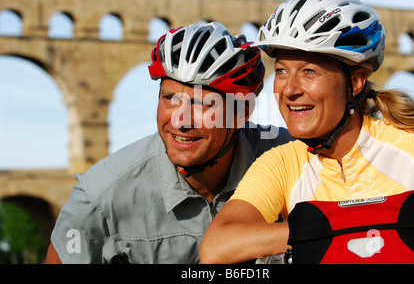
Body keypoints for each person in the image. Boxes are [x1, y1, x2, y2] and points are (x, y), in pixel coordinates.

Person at [199, 0, 414, 264]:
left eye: (309, 71)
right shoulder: (281, 164)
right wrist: (325, 228)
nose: (289, 90)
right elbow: (216, 246)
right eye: (281, 71)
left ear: (355, 82)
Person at [45, 22, 295, 263]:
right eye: (170, 98)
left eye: (203, 103)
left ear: (243, 112)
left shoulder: (298, 159)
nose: (180, 120)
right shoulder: (100, 196)